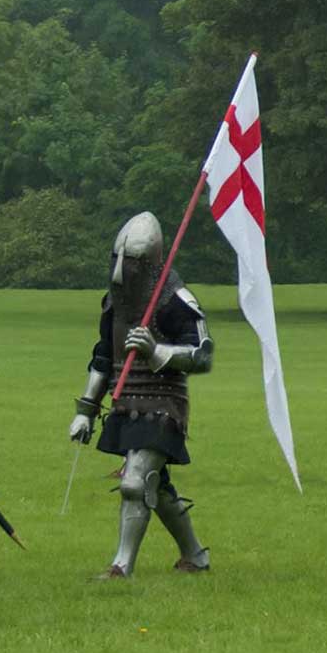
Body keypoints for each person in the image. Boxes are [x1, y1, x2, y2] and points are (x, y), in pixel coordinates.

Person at [69, 211, 215, 579]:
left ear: (149, 263)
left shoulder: (176, 300)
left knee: (134, 482)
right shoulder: (113, 302)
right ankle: (195, 556)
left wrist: (156, 351)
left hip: (163, 404)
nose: (121, 271)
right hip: (125, 404)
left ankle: (121, 566)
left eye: (131, 261)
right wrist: (86, 410)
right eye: (117, 259)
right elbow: (104, 357)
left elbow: (202, 355)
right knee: (155, 485)